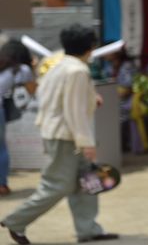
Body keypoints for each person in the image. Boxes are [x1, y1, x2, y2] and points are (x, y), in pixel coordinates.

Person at [1, 24, 119, 245]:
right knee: (58, 185)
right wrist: (87, 143)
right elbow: (74, 110)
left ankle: (89, 229)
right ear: (91, 47)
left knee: (87, 182)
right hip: (67, 136)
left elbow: (52, 95)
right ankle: (16, 220)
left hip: (59, 133)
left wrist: (92, 100)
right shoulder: (77, 70)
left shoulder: (57, 63)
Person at [0, 39, 36, 196]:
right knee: (1, 148)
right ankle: (1, 185)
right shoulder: (22, 69)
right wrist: (34, 68)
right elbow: (33, 89)